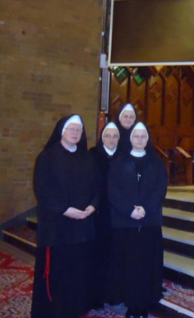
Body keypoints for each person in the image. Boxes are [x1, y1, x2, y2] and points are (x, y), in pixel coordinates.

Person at [31, 114, 99, 318]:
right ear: (62, 131)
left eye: (79, 130)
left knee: (78, 271)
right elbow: (42, 190)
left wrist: (93, 206)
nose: (75, 133)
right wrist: (64, 209)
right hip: (57, 227)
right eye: (72, 129)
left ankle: (75, 309)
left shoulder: (88, 158)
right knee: (57, 273)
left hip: (82, 228)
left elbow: (97, 187)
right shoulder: (47, 157)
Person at [108, 122, 168, 318]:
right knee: (129, 263)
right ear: (130, 139)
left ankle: (145, 301)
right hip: (126, 222)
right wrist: (129, 210)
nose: (140, 139)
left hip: (149, 221)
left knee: (147, 263)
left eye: (143, 136)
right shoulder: (118, 162)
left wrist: (146, 209)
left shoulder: (156, 162)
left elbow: (160, 188)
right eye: (136, 136)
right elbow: (113, 190)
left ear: (147, 139)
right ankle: (131, 303)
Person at [89, 122, 120, 306]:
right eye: (107, 136)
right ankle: (96, 296)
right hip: (98, 212)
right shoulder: (92, 155)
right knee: (97, 255)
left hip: (118, 214)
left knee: (116, 254)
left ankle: (114, 293)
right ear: (102, 137)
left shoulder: (123, 156)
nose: (111, 139)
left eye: (115, 136)